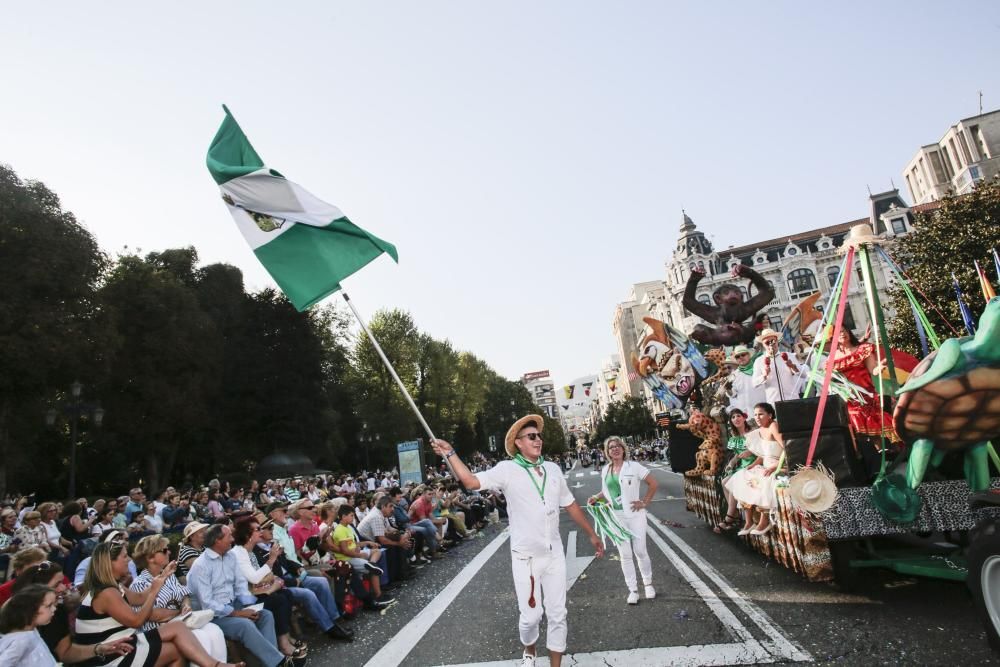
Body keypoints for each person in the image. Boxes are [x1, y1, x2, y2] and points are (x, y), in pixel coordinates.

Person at [431, 414, 605, 667]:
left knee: (558, 614)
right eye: (531, 436)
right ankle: (530, 648)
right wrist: (451, 453)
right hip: (526, 557)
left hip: (554, 553)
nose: (538, 440)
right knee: (530, 618)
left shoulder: (553, 469)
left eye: (539, 436)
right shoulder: (507, 470)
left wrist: (591, 533)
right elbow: (470, 481)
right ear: (519, 444)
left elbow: (570, 505)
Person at [77, 540, 245, 667]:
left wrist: (163, 577)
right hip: (110, 654)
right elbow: (137, 620)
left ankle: (215, 665)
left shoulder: (113, 587)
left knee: (178, 629)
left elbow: (140, 598)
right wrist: (157, 590)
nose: (128, 560)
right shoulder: (107, 592)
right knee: (177, 649)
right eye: (124, 557)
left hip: (121, 644)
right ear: (110, 563)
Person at [234, 518, 354, 642]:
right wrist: (274, 561)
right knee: (308, 594)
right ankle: (330, 628)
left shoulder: (269, 544)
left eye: (271, 527)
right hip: (278, 584)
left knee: (321, 582)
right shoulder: (252, 551)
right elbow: (261, 577)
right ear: (248, 534)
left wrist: (298, 567)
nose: (271, 530)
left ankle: (335, 619)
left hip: (289, 577)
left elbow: (286, 560)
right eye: (264, 528)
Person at [186, 523, 287, 667]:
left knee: (265, 615)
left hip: (233, 605)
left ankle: (270, 662)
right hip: (212, 615)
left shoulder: (229, 557)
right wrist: (237, 613)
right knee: (244, 625)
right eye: (229, 536)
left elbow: (240, 586)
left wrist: (249, 606)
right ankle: (279, 662)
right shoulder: (201, 566)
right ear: (217, 541)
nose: (233, 539)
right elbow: (207, 603)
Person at [129, 535, 228, 662]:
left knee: (215, 631)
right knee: (200, 637)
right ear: (150, 558)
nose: (169, 552)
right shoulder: (139, 584)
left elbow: (183, 595)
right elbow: (153, 615)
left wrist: (185, 605)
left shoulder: (168, 575)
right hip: (158, 630)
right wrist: (178, 612)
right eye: (164, 550)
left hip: (181, 621)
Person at [588, 435, 658, 605]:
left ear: (623, 448)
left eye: (618, 446)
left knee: (640, 550)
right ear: (608, 452)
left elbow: (653, 483)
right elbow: (607, 491)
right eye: (611, 447)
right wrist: (596, 497)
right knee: (625, 554)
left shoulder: (633, 466)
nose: (615, 449)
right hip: (617, 517)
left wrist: (645, 502)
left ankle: (648, 584)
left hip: (635, 515)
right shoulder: (606, 470)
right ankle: (632, 590)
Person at [228, 519, 307, 660]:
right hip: (246, 599)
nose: (262, 532)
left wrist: (272, 577)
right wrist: (271, 559)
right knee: (278, 600)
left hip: (256, 592)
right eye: (258, 529)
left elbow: (263, 576)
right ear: (247, 535)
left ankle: (285, 636)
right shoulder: (238, 553)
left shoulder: (249, 551)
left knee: (286, 594)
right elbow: (255, 578)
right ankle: (283, 643)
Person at [723, 403, 785, 536]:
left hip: (778, 465)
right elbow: (763, 454)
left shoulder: (773, 426)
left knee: (764, 480)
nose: (757, 417)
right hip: (765, 464)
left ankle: (764, 520)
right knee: (742, 476)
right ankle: (749, 521)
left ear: (770, 415)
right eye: (755, 414)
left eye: (761, 414)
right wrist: (753, 464)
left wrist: (776, 466)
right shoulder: (759, 430)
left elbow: (787, 449)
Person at [833, 328, 902, 444]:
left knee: (876, 423)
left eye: (845, 330)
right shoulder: (833, 357)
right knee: (858, 428)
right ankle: (873, 454)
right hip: (850, 398)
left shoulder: (862, 350)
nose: (843, 333)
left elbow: (873, 369)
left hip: (866, 394)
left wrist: (881, 366)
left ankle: (889, 450)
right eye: (839, 332)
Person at [0, 584, 62, 667]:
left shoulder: (32, 631)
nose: (54, 609)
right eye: (49, 606)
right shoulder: (21, 640)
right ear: (30, 609)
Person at [715, 409, 756, 533]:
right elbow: (736, 455)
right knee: (724, 482)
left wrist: (750, 452)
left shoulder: (753, 433)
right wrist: (731, 463)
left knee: (732, 482)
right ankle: (735, 513)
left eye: (738, 416)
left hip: (753, 465)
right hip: (741, 466)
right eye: (733, 417)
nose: (736, 419)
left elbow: (761, 450)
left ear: (744, 418)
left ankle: (729, 518)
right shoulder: (734, 437)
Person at [752, 329, 801, 405]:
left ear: (777, 341)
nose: (771, 344)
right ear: (763, 344)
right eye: (767, 343)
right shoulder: (759, 361)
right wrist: (764, 375)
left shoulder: (789, 355)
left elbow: (803, 374)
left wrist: (793, 367)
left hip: (792, 399)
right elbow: (754, 383)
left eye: (773, 341)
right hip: (773, 402)